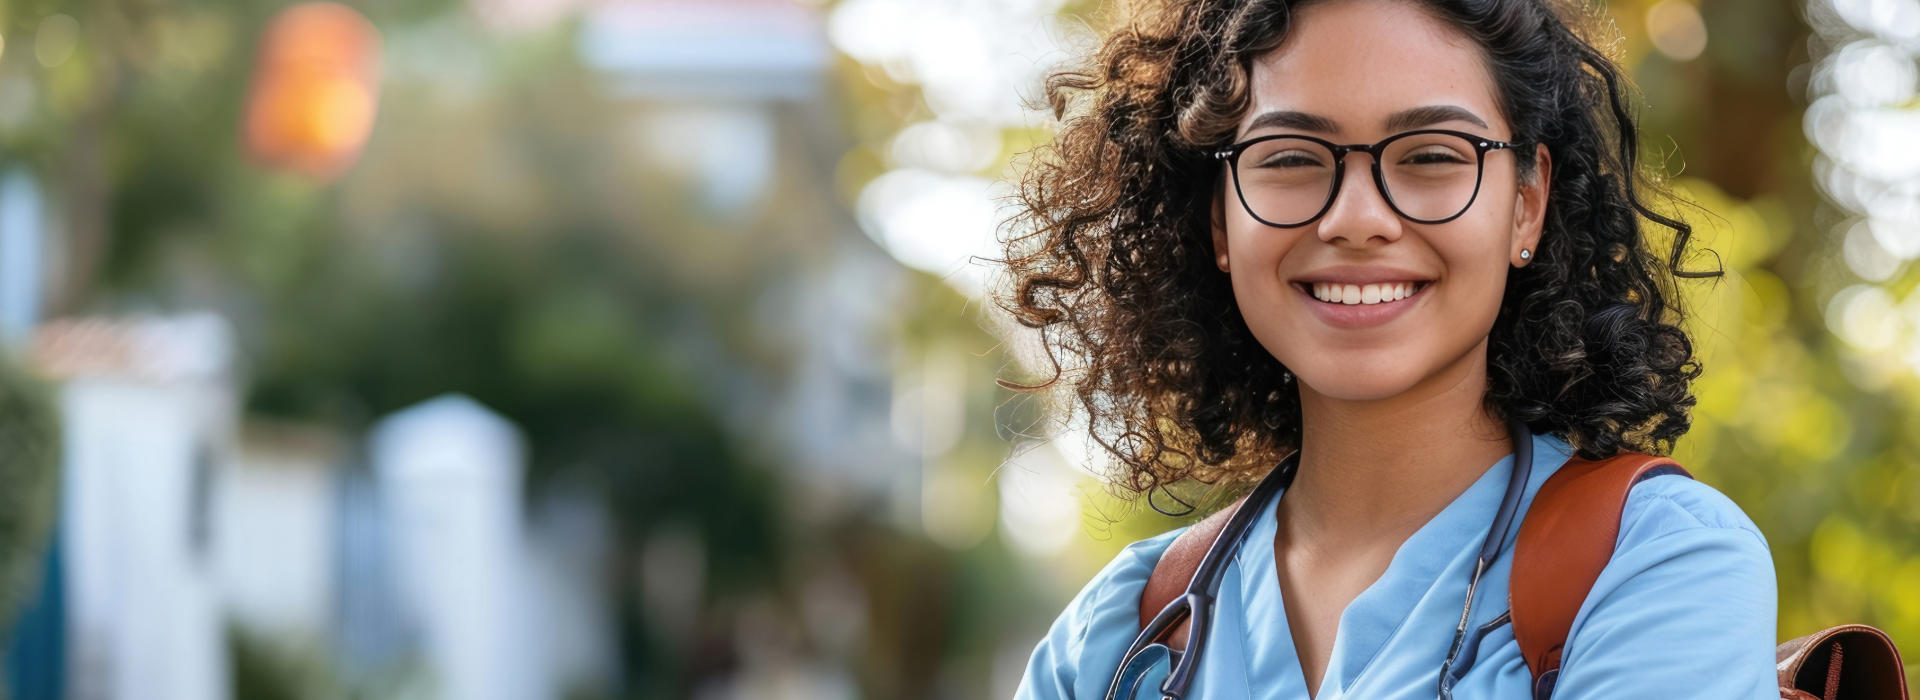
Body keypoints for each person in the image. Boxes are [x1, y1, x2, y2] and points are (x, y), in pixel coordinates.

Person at [995, 0, 1779, 698]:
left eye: (1432, 155)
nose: (1357, 218)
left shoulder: (1659, 564)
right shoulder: (1111, 639)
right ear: (1218, 221)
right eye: (1293, 158)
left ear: (1526, 207)